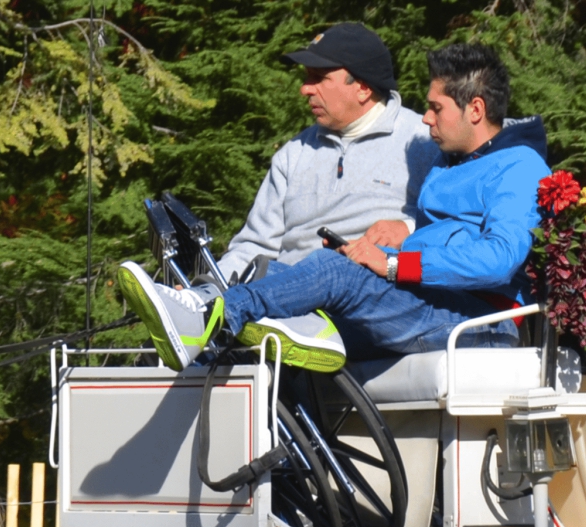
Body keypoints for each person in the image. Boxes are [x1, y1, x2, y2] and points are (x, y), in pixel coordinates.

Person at [122, 42, 550, 372]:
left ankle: (209, 318)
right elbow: (444, 233)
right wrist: (405, 231)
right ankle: (198, 316)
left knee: (334, 269)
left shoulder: (520, 166)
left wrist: (395, 265)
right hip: (433, 305)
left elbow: (499, 258)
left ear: (475, 109)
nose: (426, 118)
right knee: (283, 278)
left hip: (478, 324)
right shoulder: (449, 162)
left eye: (436, 108)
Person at [215, 22, 439, 285]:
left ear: (363, 88)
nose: (305, 88)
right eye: (306, 77)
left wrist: (408, 229)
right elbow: (253, 247)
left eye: (318, 78)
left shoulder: (424, 141)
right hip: (280, 296)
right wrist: (206, 288)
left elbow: (464, 230)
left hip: (368, 295)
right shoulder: (293, 154)